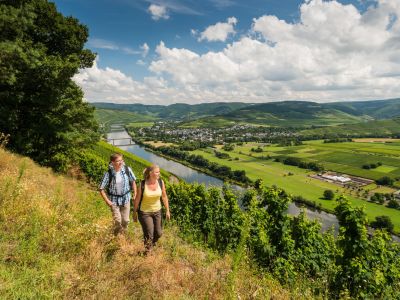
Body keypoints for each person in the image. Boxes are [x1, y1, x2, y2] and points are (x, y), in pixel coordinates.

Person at [133, 164, 170, 253]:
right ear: (150, 173)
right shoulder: (142, 184)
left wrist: (167, 210)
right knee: (149, 234)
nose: (159, 174)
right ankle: (148, 252)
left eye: (159, 172)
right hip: (145, 212)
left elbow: (164, 196)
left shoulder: (161, 182)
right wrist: (134, 212)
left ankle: (151, 245)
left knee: (159, 233)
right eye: (157, 172)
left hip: (158, 211)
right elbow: (137, 199)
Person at [99, 153, 137, 235]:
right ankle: (115, 236)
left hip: (126, 199)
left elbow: (133, 181)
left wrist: (135, 193)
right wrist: (107, 201)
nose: (121, 163)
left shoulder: (127, 169)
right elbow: (101, 188)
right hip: (114, 201)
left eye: (121, 160)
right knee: (117, 220)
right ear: (112, 162)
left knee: (126, 221)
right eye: (118, 161)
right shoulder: (108, 173)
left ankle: (122, 236)